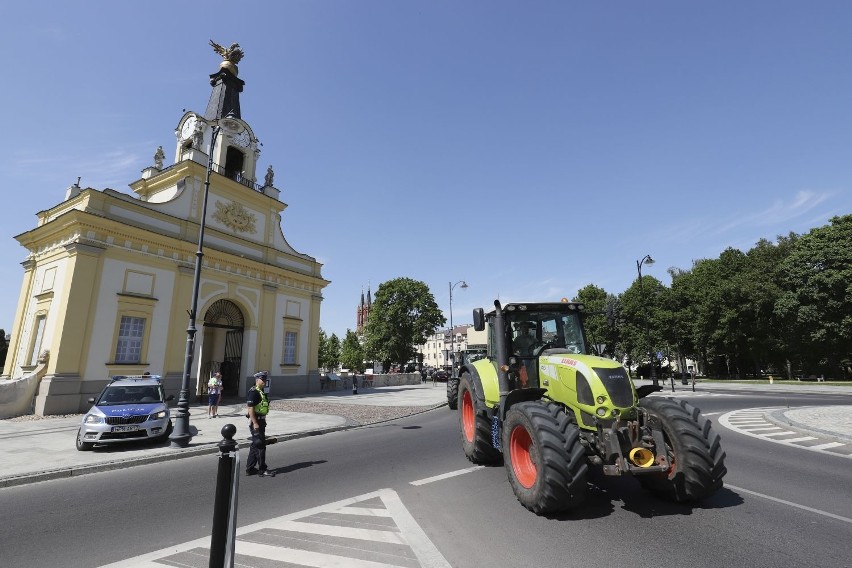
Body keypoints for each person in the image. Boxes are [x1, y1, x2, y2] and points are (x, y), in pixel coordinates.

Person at [246, 371, 274, 477]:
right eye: (263, 379)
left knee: (255, 445)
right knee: (260, 446)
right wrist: (255, 423)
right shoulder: (254, 391)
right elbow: (250, 408)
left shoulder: (261, 391)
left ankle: (250, 468)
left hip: (261, 421)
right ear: (257, 380)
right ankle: (263, 470)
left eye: (265, 379)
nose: (264, 381)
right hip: (256, 422)